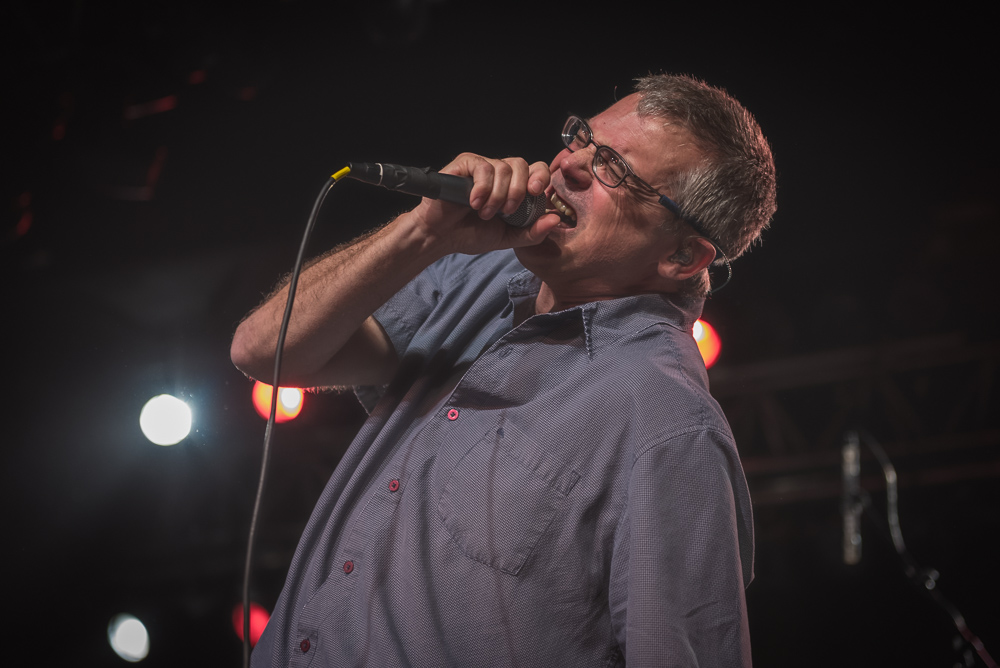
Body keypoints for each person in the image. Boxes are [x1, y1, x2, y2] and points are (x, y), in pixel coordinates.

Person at [231, 73, 777, 667]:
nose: (570, 164)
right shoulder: (478, 273)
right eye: (583, 137)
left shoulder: (666, 424)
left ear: (680, 256)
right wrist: (423, 233)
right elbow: (263, 351)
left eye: (614, 167)